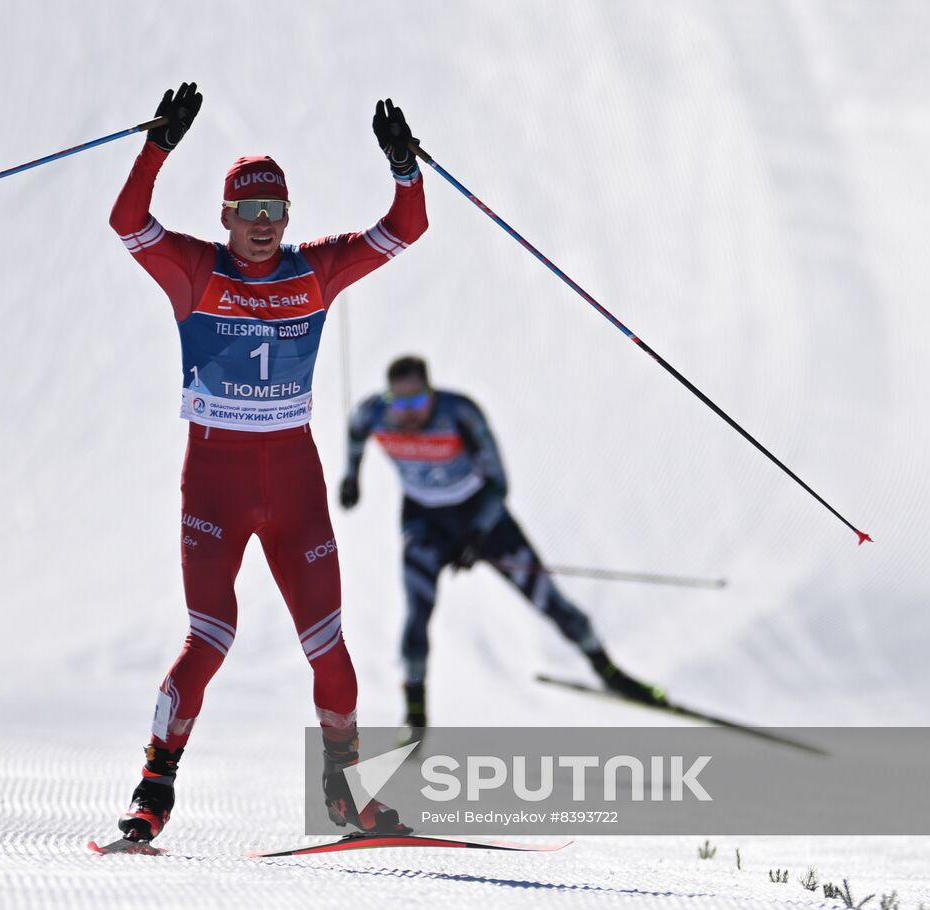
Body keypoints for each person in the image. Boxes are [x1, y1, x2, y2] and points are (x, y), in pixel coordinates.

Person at [107, 83, 429, 843]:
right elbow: (128, 222)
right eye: (248, 210)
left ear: (288, 216)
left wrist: (403, 166)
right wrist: (157, 148)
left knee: (330, 650)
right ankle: (153, 790)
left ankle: (344, 795)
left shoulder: (313, 270)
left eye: (274, 210)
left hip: (294, 488)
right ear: (225, 215)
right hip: (214, 487)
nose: (261, 224)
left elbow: (406, 226)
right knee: (209, 638)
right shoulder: (195, 270)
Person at [340, 355, 665, 737]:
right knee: (416, 614)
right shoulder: (373, 413)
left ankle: (608, 671)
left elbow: (498, 483)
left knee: (548, 599)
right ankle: (415, 714)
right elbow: (355, 433)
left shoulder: (460, 413)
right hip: (425, 521)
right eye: (399, 402)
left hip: (482, 516)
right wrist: (352, 478)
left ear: (432, 393)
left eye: (416, 401)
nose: (408, 413)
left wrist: (478, 535)